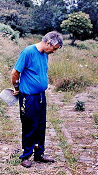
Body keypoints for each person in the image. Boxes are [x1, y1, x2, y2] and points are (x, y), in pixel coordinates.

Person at [11, 31, 63, 168]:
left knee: (40, 124)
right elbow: (15, 73)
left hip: (40, 95)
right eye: (54, 48)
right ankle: (26, 156)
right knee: (29, 125)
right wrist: (16, 88)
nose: (54, 51)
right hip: (28, 97)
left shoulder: (45, 55)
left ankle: (39, 154)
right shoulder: (28, 52)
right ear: (48, 43)